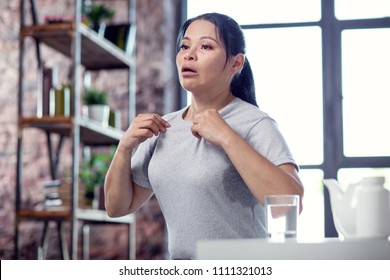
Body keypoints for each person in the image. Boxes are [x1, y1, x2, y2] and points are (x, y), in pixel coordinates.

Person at [104, 12, 304, 260]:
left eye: (206, 46)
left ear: (236, 63)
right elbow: (117, 206)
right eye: (185, 46)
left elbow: (289, 204)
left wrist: (226, 137)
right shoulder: (163, 128)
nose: (189, 54)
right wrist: (125, 146)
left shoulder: (255, 123)